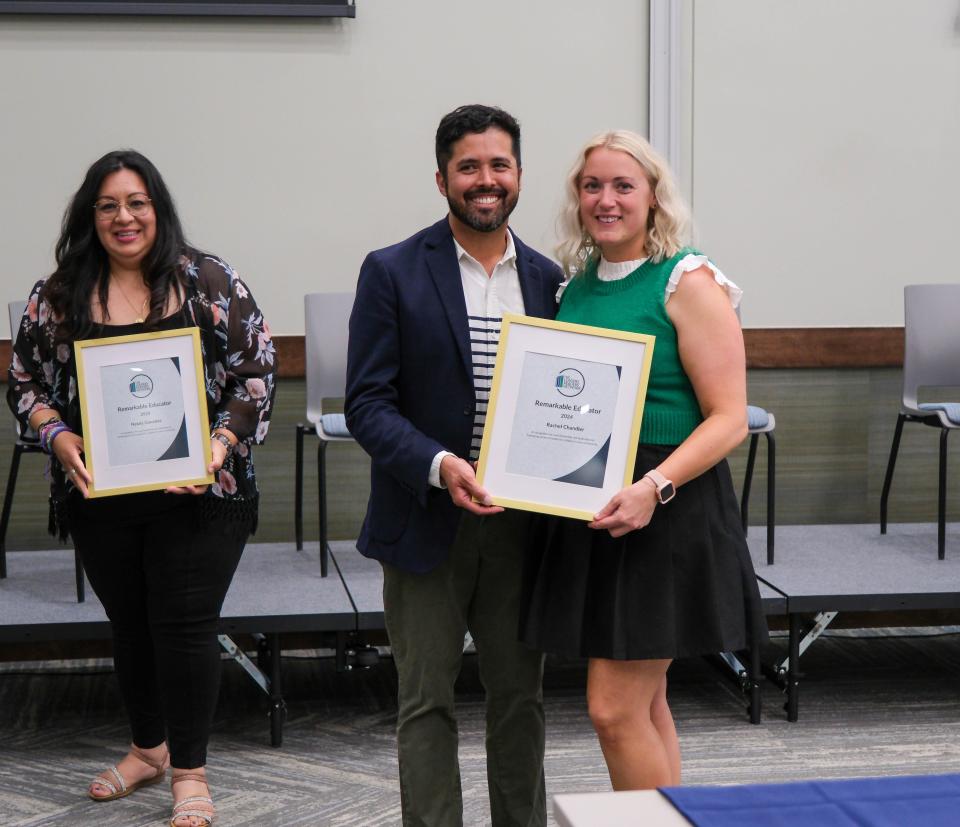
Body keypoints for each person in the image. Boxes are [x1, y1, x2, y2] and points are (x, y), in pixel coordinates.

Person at [7, 149, 276, 827]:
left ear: (157, 208)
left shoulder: (209, 279)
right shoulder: (60, 293)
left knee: (184, 626)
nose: (124, 217)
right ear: (89, 216)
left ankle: (189, 771)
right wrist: (56, 435)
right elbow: (24, 381)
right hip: (101, 494)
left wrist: (216, 446)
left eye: (137, 202)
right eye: (108, 205)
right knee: (129, 625)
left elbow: (257, 372)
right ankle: (148, 749)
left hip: (202, 495)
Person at [519, 130, 768, 790]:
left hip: (668, 506)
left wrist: (652, 487)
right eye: (592, 185)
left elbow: (730, 419)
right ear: (577, 197)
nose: (606, 199)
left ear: (655, 198)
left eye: (623, 185)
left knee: (612, 707)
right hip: (600, 504)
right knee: (645, 701)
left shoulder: (687, 280)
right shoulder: (574, 287)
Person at [345, 104, 563, 826]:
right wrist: (441, 465)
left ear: (520, 175)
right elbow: (367, 404)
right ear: (442, 178)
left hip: (521, 525)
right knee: (426, 701)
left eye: (499, 165)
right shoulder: (391, 272)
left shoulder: (550, 279)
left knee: (520, 698)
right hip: (425, 518)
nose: (486, 180)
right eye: (469, 166)